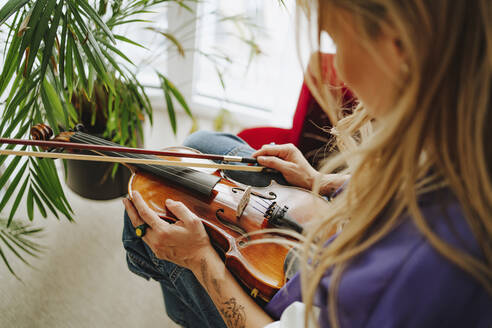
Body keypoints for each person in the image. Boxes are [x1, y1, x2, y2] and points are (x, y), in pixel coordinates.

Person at [122, 0, 492, 327]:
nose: (340, 69)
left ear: (398, 49)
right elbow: (404, 184)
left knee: (145, 223)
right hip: (342, 239)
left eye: (335, 38)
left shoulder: (401, 276)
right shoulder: (462, 127)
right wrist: (321, 180)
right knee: (200, 145)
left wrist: (199, 257)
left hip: (321, 282)